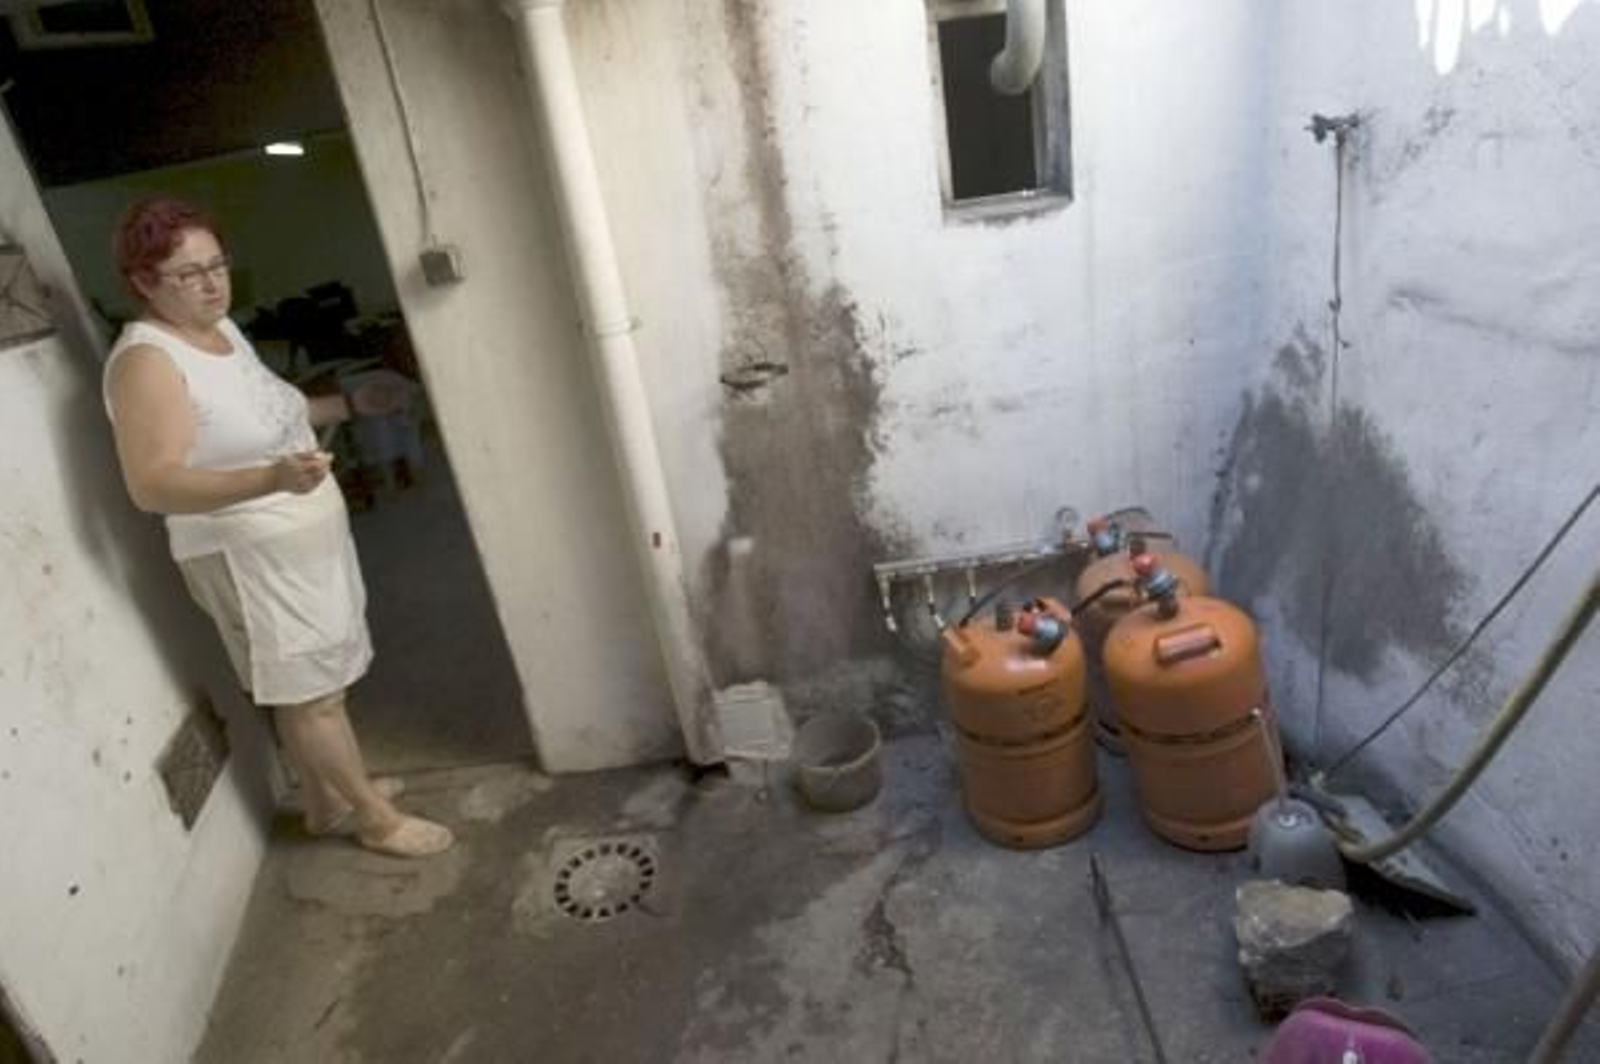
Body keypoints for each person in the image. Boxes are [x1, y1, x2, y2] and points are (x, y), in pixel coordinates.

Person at [102, 196, 452, 858]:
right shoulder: (146, 362)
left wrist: (349, 404)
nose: (213, 284)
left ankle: (324, 803)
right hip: (246, 555)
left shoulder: (220, 331)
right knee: (312, 696)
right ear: (143, 281)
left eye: (218, 265)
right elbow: (152, 484)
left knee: (314, 687)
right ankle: (375, 818)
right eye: (189, 273)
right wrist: (270, 479)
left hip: (297, 540)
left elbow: (269, 413)